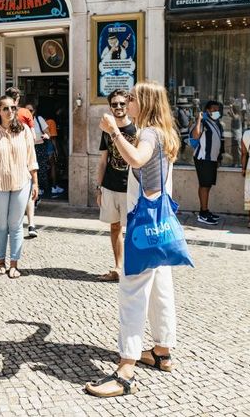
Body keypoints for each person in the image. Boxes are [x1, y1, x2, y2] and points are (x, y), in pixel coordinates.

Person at [86, 81, 180, 398]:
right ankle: (162, 351)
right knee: (161, 288)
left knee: (132, 290)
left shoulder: (150, 133)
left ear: (146, 103)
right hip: (160, 224)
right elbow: (153, 179)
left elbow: (138, 161)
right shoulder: (165, 134)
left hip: (143, 225)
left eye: (133, 98)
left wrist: (114, 131)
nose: (128, 102)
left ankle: (126, 370)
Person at [0, 95, 39, 279]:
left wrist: (36, 183)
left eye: (13, 108)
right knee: (2, 224)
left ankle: (14, 263)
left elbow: (32, 159)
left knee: (16, 224)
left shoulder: (25, 132)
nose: (10, 112)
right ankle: (0, 262)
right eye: (5, 108)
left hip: (22, 183)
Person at [95, 89, 137, 282]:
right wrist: (99, 187)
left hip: (131, 188)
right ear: (110, 107)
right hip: (110, 186)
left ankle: (133, 268)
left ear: (128, 105)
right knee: (114, 228)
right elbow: (103, 160)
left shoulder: (137, 130)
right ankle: (118, 268)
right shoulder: (107, 129)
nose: (118, 107)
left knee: (133, 230)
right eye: (114, 104)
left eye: (122, 103)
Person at [191, 100, 224, 225]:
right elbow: (195, 135)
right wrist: (199, 119)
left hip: (212, 159)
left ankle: (205, 210)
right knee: (204, 185)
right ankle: (203, 214)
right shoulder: (204, 122)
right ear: (207, 111)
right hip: (203, 158)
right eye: (214, 110)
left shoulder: (216, 123)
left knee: (207, 185)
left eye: (217, 110)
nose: (216, 112)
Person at [25, 102, 50, 238]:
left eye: (30, 110)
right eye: (26, 109)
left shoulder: (38, 120)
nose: (28, 112)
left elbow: (48, 133)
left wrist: (45, 136)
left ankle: (38, 195)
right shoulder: (22, 121)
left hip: (39, 148)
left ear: (34, 111)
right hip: (27, 149)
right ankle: (31, 197)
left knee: (39, 173)